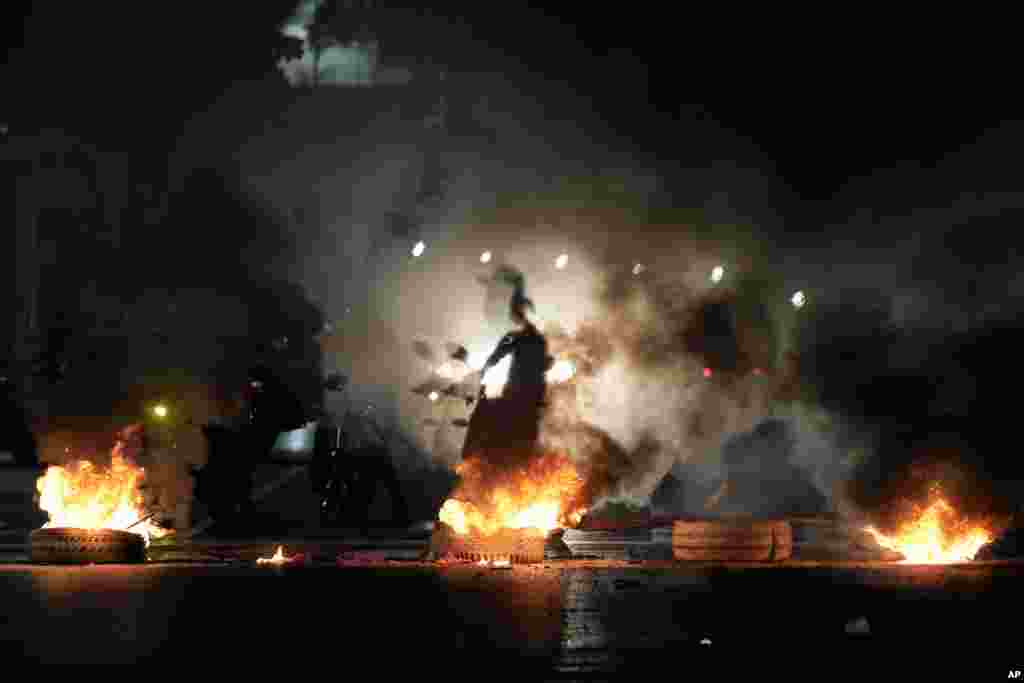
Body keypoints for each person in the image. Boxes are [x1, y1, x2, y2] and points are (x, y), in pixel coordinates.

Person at [340, 404, 409, 534]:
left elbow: (380, 436)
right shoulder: (362, 421)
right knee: (378, 487)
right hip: (372, 453)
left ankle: (362, 520)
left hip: (371, 453)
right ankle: (400, 517)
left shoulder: (362, 421)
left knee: (372, 488)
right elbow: (381, 436)